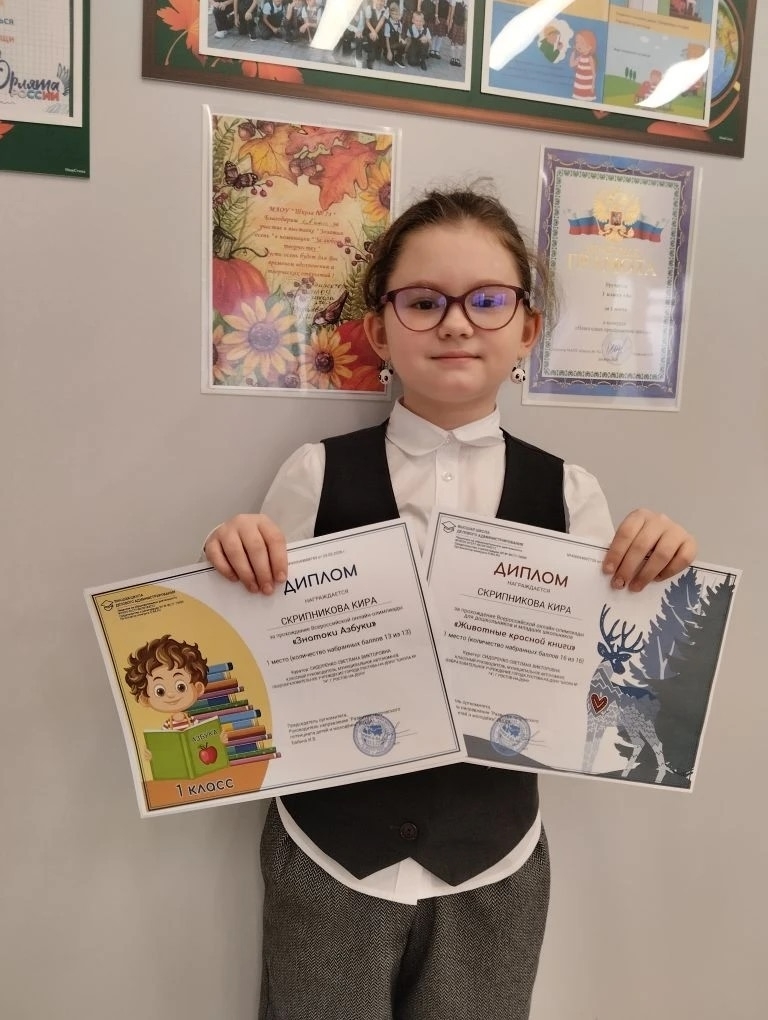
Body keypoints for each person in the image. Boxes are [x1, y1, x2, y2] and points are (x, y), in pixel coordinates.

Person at [204, 186, 697, 1020]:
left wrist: (658, 568)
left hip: (495, 858)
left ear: (527, 330)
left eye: (487, 301)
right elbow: (261, 652)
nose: (457, 324)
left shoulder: (572, 492)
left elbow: (600, 682)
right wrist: (232, 560)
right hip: (328, 851)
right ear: (379, 331)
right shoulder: (315, 472)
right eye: (424, 301)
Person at [570, 29, 598, 101]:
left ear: (590, 46)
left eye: (582, 43)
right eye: (577, 42)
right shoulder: (580, 57)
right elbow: (572, 64)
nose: (578, 45)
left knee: (586, 100)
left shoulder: (590, 58)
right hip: (579, 85)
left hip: (587, 86)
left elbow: (594, 73)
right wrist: (573, 52)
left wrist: (592, 86)